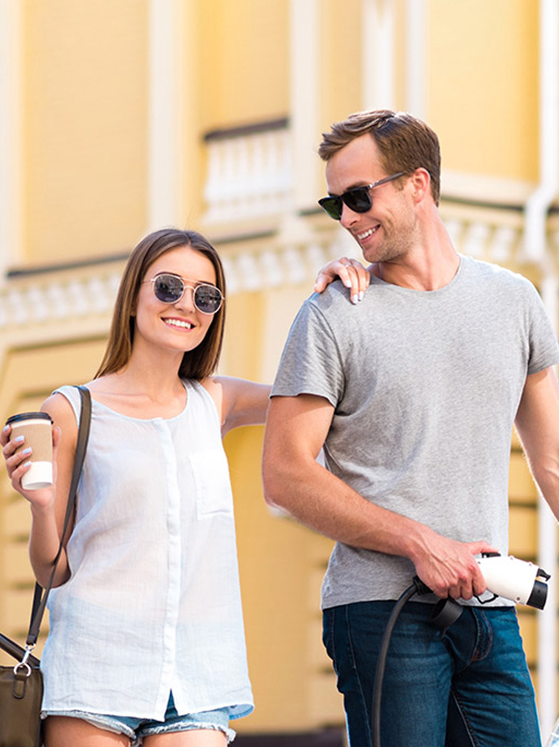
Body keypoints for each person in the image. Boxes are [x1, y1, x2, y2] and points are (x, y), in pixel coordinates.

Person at [261, 110, 559, 747]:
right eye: (336, 203)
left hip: (490, 610)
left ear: (418, 184)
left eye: (360, 197)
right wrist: (421, 543)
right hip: (380, 612)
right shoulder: (334, 314)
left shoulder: (514, 301)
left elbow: (558, 458)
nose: (348, 218)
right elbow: (284, 475)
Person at [1, 228, 369, 747]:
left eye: (206, 296)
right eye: (169, 287)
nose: (187, 305)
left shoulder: (216, 401)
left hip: (197, 679)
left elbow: (320, 386)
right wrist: (41, 507)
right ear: (133, 297)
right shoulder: (72, 410)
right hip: (95, 672)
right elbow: (51, 569)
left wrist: (337, 298)